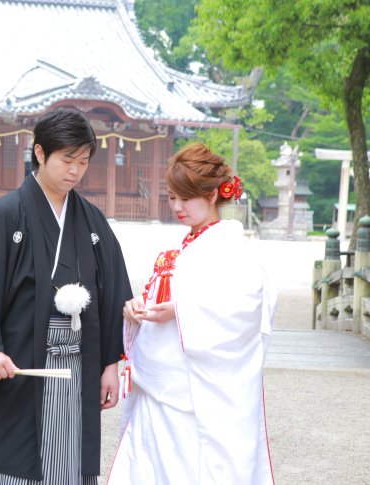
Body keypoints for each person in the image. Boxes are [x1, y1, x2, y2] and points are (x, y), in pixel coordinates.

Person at [0, 108, 134, 485]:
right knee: (13, 458)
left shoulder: (92, 222)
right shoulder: (6, 215)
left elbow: (113, 292)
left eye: (83, 162)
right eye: (67, 159)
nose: (75, 170)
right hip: (19, 363)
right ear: (40, 153)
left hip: (79, 366)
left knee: (70, 457)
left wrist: (108, 366)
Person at [107, 143, 277, 485]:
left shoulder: (230, 246)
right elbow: (167, 296)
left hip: (194, 391)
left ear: (213, 194)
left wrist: (181, 311)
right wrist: (136, 306)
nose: (177, 207)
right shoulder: (190, 243)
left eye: (186, 198)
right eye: (172, 197)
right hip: (158, 377)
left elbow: (248, 307)